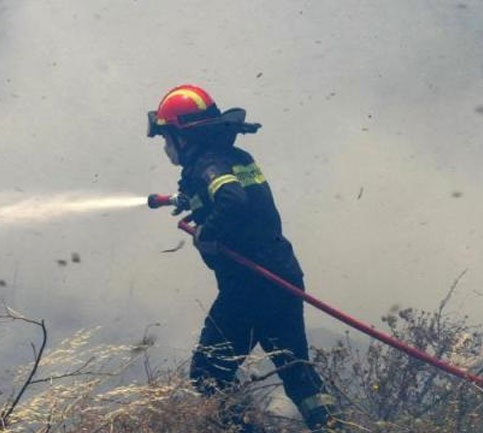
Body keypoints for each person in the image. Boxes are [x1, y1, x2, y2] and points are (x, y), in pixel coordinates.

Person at [147, 84, 345, 433]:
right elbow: (241, 202)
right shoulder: (238, 159)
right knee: (296, 370)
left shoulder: (207, 164)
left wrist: (209, 232)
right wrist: (193, 202)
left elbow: (232, 199)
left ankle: (245, 427)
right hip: (283, 278)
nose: (166, 148)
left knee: (209, 372)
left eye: (167, 138)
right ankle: (335, 428)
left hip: (249, 287)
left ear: (184, 137)